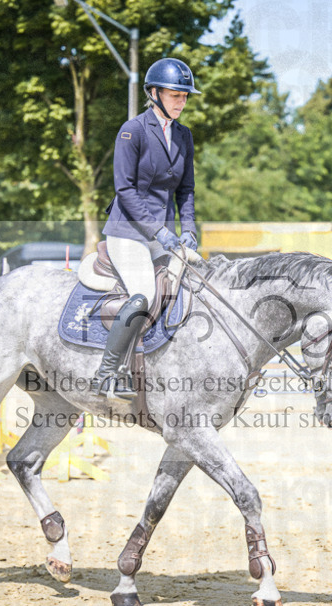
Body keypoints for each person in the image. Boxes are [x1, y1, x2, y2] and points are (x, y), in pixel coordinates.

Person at [96, 57, 200, 400]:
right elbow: (124, 190)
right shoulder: (133, 130)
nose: (181, 102)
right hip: (128, 233)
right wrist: (159, 231)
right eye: (175, 95)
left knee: (198, 282)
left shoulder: (184, 136)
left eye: (185, 96)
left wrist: (189, 231)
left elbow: (185, 191)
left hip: (162, 236)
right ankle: (110, 371)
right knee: (144, 292)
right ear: (153, 93)